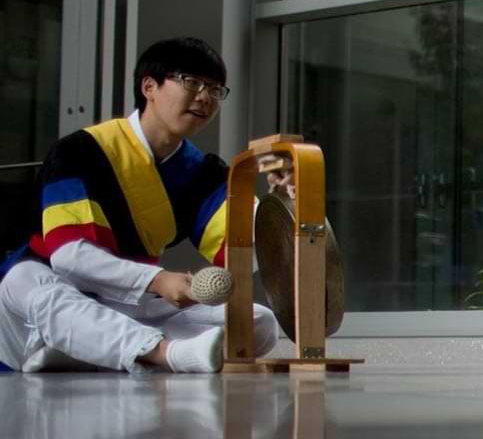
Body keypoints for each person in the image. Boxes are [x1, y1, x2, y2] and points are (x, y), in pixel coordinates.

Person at [0, 37, 282, 373]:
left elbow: (242, 251)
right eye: (192, 82)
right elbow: (69, 255)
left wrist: (285, 199)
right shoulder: (80, 150)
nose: (205, 97)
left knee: (258, 323)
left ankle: (81, 353)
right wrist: (159, 280)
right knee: (29, 283)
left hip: (125, 301)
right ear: (149, 86)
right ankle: (167, 354)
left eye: (215, 89)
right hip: (41, 297)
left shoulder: (204, 172)